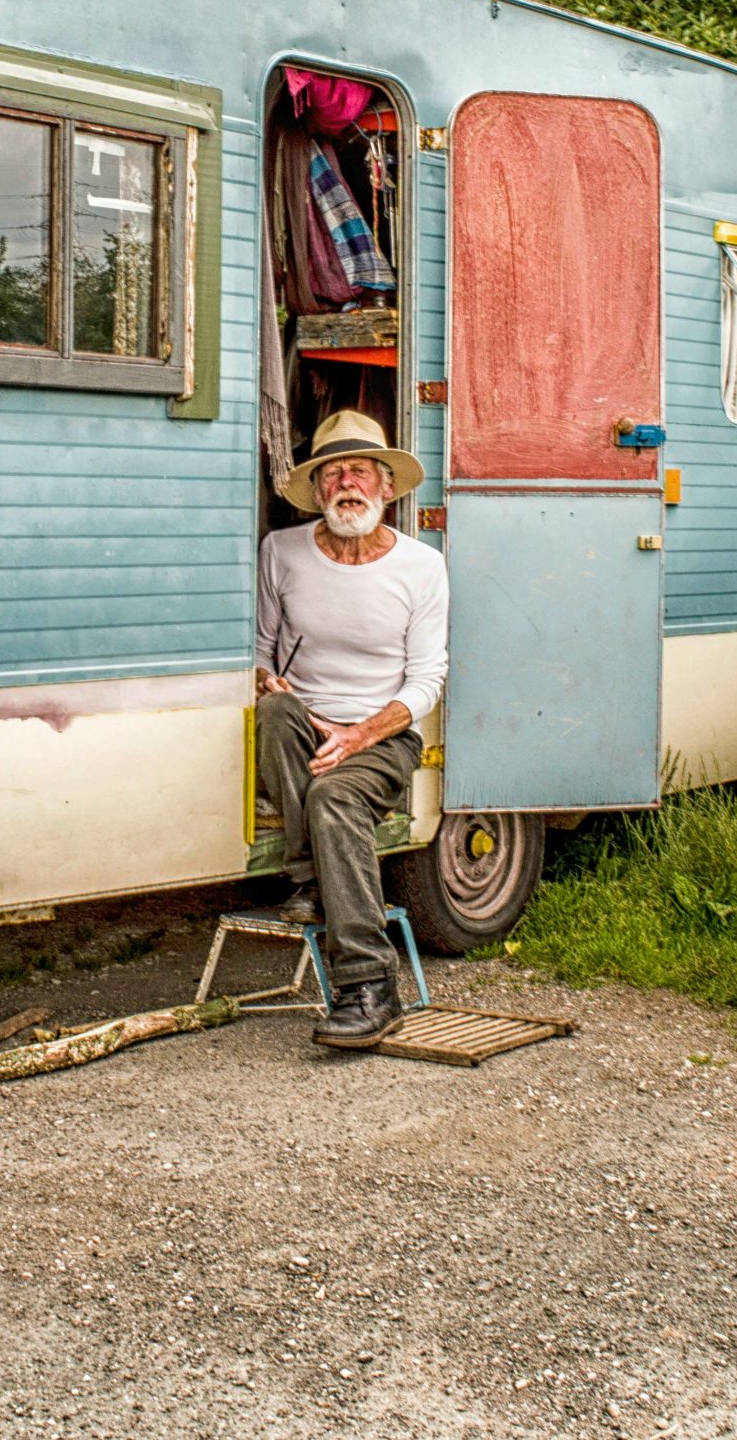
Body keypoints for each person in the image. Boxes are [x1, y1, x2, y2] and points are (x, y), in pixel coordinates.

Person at [254, 409, 449, 1048]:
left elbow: (427, 681)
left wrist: (361, 735)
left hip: (384, 737)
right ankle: (312, 879)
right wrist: (268, 680)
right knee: (275, 715)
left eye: (360, 471)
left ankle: (370, 986)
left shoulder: (421, 566)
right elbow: (259, 648)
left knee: (335, 795)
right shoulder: (279, 551)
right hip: (303, 726)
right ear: (316, 492)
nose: (347, 483)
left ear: (386, 487)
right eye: (332, 472)